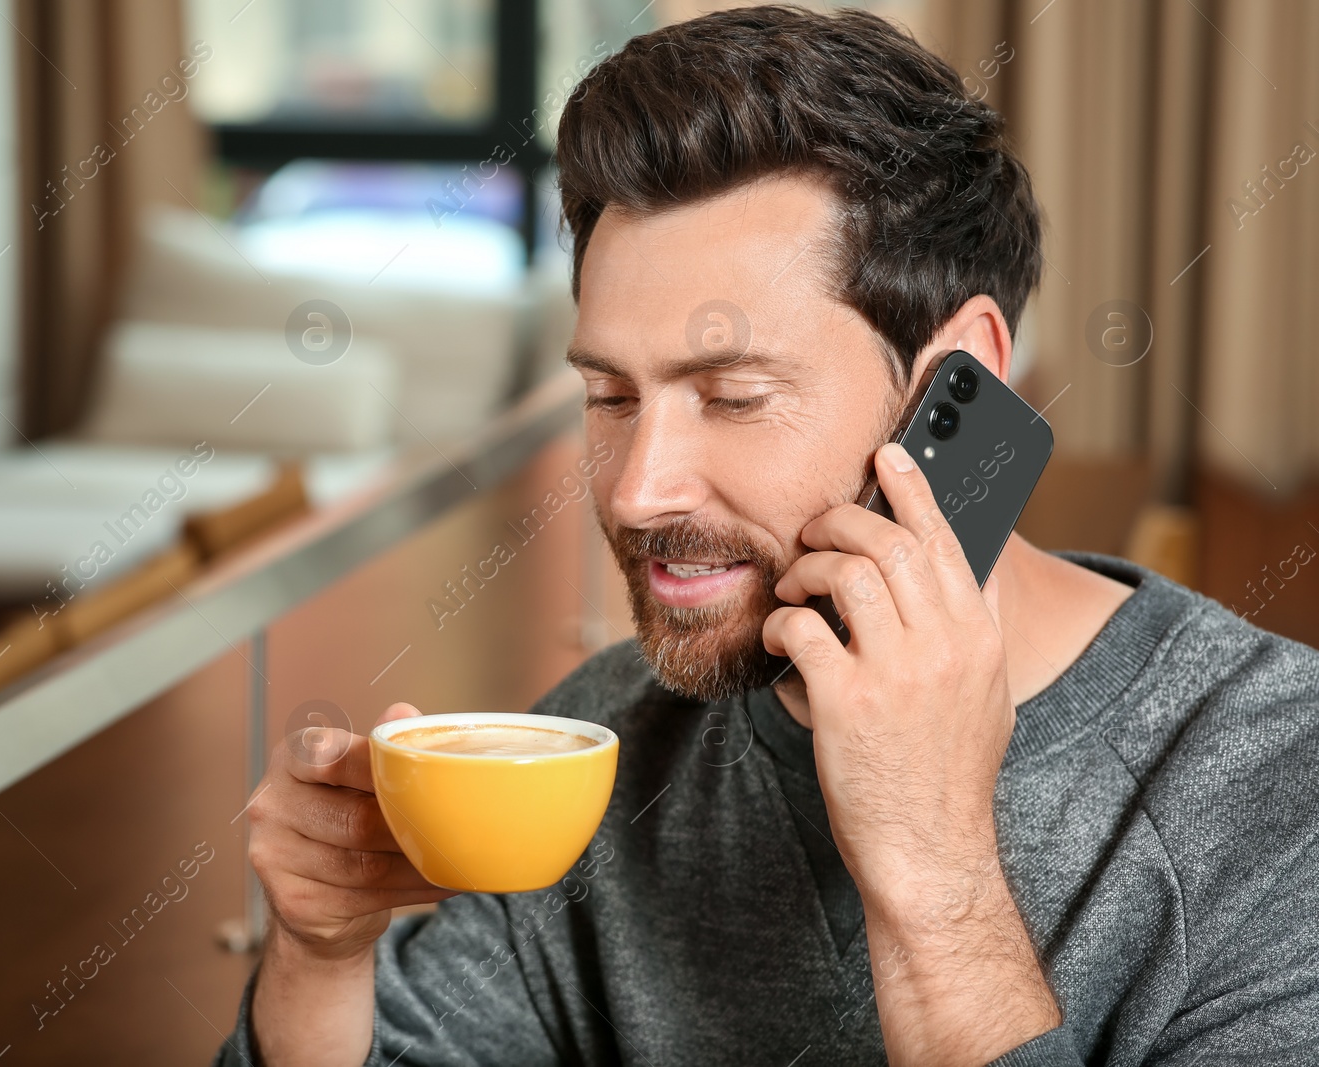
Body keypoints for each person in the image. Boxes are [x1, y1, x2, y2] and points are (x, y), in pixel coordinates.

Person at [215, 6, 1319, 1064]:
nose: (640, 490)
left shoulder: (1276, 783)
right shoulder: (601, 746)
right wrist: (319, 961)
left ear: (960, 381)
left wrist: (933, 874)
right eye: (609, 396)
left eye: (734, 395)